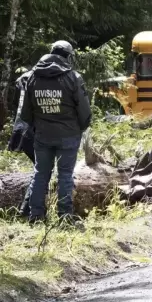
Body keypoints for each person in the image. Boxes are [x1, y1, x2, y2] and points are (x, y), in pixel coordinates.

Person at [22, 42, 91, 224]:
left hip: (43, 136)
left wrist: (39, 126)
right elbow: (85, 112)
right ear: (68, 56)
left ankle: (36, 216)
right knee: (65, 175)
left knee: (40, 174)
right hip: (68, 136)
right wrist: (79, 128)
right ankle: (65, 216)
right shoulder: (73, 77)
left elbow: (25, 115)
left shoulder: (32, 77)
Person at [6, 68, 35, 218]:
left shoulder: (22, 79)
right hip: (30, 130)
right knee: (42, 170)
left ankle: (28, 208)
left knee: (41, 169)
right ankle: (26, 210)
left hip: (19, 128)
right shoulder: (38, 78)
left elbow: (16, 104)